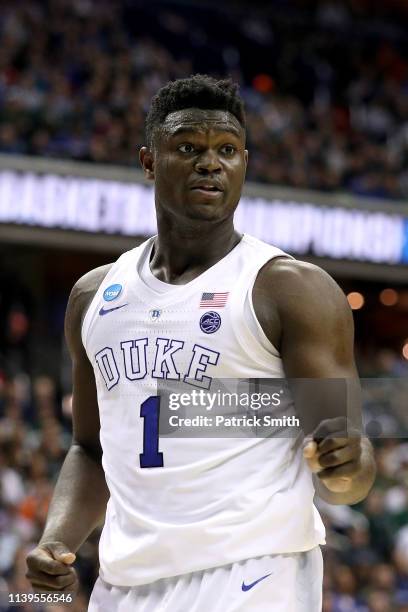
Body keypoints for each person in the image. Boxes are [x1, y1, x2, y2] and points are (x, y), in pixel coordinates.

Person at [25, 75, 376, 611]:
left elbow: (347, 470)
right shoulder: (93, 296)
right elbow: (91, 448)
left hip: (255, 572)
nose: (210, 163)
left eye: (227, 151)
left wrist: (349, 467)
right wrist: (58, 539)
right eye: (188, 148)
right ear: (148, 162)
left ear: (244, 164)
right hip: (125, 583)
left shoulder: (291, 289)